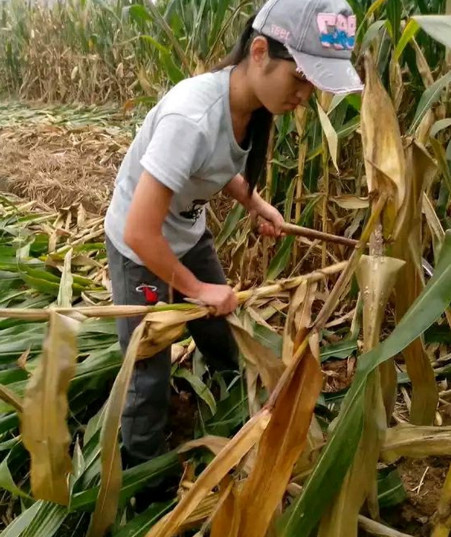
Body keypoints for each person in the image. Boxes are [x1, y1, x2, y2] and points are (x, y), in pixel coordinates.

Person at [105, 0, 363, 473]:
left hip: (186, 232)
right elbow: (139, 231)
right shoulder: (191, 116)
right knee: (148, 371)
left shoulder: (245, 108)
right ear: (259, 51)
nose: (304, 96)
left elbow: (215, 165)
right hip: (139, 250)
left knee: (223, 334)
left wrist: (256, 203)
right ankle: (142, 476)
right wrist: (198, 288)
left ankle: (230, 412)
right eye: (301, 78)